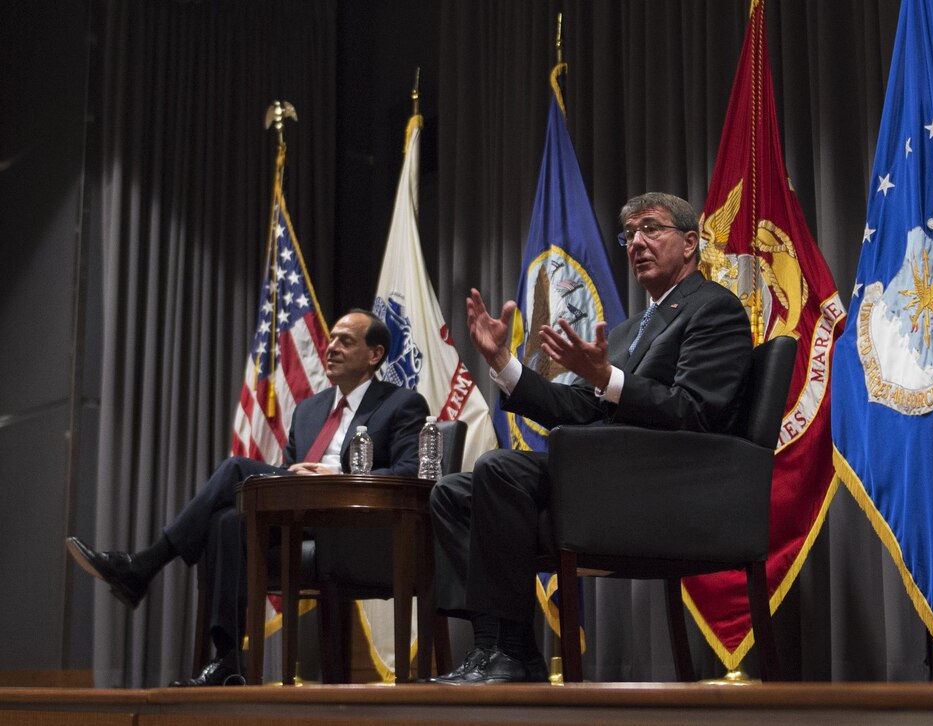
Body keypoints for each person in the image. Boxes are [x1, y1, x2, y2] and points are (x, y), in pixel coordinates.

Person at [430, 192, 753, 684]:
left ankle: (514, 653)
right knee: (453, 492)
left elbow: (696, 412)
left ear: (690, 243)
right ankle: (495, 646)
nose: (637, 243)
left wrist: (609, 379)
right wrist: (502, 362)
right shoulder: (626, 332)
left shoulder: (714, 309)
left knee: (497, 469)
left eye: (651, 229)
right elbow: (576, 406)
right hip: (609, 477)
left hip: (666, 486)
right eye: (629, 234)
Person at [66, 310, 429, 686]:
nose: (332, 347)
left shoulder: (402, 404)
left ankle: (145, 564)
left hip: (356, 528)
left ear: (374, 355)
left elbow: (409, 472)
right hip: (300, 518)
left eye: (346, 341)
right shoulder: (309, 410)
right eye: (332, 339)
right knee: (227, 522)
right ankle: (228, 659)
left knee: (237, 468)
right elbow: (288, 471)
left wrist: (338, 474)